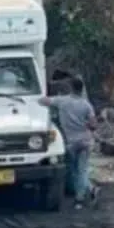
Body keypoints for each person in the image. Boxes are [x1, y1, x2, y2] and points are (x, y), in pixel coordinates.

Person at [39, 76, 98, 208]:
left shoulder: (62, 101)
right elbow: (94, 125)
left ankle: (79, 198)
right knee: (82, 169)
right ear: (81, 89)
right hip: (86, 141)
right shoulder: (86, 105)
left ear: (71, 88)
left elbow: (43, 101)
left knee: (74, 170)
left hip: (71, 142)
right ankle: (89, 190)